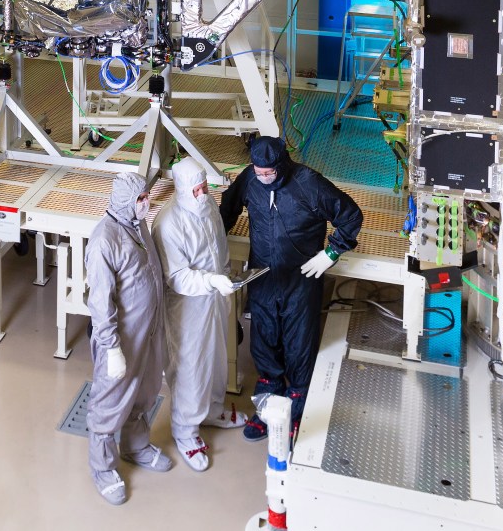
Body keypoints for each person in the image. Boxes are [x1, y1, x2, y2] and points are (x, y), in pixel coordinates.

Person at [220, 134, 362, 440]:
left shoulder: (308, 183)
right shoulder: (251, 179)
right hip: (263, 276)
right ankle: (267, 402)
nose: (264, 178)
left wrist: (331, 252)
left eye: (269, 173)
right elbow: (228, 210)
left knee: (299, 343)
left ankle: (297, 404)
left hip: (301, 278)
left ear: (282, 164)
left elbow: (350, 216)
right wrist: (213, 243)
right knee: (264, 339)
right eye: (259, 173)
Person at [84, 170, 172, 505]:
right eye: (140, 199)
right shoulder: (105, 239)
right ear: (124, 201)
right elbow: (100, 300)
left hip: (148, 332)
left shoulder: (138, 227)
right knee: (109, 402)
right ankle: (103, 470)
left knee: (145, 392)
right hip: (121, 340)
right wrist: (112, 348)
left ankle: (135, 447)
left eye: (145, 196)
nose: (146, 203)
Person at [153, 156, 246, 471]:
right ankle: (186, 429)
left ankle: (212, 409)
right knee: (191, 365)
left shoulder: (209, 210)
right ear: (181, 190)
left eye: (204, 187)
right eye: (195, 190)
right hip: (188, 306)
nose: (202, 194)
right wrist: (210, 281)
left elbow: (218, 247)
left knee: (217, 357)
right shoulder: (169, 223)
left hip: (215, 297)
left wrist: (224, 277)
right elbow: (176, 276)